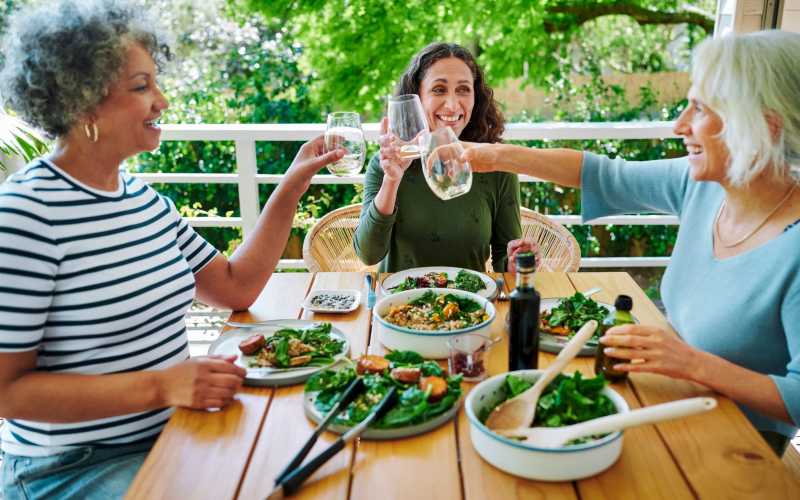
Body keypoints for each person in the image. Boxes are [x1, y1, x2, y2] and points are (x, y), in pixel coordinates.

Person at [0, 1, 344, 498]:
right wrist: (162, 386)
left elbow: (235, 286)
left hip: (173, 431)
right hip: (72, 468)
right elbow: (7, 392)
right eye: (141, 87)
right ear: (82, 102)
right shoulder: (25, 214)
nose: (161, 100)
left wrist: (290, 185)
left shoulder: (145, 201)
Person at [461, 30, 800, 454]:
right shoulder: (705, 186)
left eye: (698, 109)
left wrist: (692, 363)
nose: (679, 125)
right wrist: (491, 156)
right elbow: (603, 175)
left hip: (736, 445)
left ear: (763, 125)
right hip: (665, 402)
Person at [353, 42, 523, 273]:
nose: (452, 105)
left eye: (463, 89)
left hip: (470, 304)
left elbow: (505, 259)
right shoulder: (387, 164)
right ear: (417, 98)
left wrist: (517, 261)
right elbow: (368, 254)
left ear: (476, 97)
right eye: (439, 90)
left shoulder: (497, 165)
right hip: (398, 304)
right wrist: (392, 180)